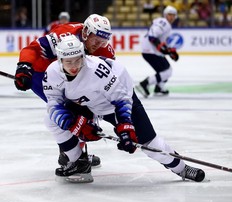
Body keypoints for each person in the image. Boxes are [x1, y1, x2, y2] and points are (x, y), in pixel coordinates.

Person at [43, 34, 205, 183]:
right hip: (88, 103)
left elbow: (120, 99)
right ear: (60, 59)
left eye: (78, 60)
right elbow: (53, 104)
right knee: (51, 119)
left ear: (83, 57)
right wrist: (74, 124)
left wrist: (125, 127)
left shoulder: (98, 71)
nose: (73, 66)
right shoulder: (52, 73)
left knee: (149, 143)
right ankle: (78, 162)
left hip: (118, 101)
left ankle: (181, 168)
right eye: (68, 61)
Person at [14, 14, 115, 167]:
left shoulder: (105, 50)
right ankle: (71, 154)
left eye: (103, 41)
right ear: (86, 32)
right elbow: (33, 49)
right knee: (65, 112)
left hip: (71, 77)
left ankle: (75, 152)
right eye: (95, 39)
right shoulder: (65, 34)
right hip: (43, 75)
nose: (98, 44)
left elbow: (108, 78)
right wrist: (24, 67)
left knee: (86, 112)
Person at [136, 6, 179, 98]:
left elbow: (158, 40)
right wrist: (165, 50)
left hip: (151, 50)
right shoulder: (164, 23)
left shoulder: (164, 23)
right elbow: (153, 36)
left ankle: (159, 88)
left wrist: (167, 50)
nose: (171, 17)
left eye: (173, 15)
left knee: (167, 70)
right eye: (169, 15)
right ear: (165, 15)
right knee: (166, 72)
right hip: (150, 51)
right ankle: (144, 84)